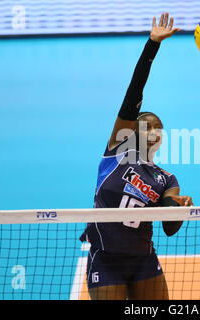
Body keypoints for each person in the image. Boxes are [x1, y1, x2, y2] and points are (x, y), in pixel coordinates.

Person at [80, 13, 192, 300]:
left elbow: (169, 227)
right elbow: (133, 94)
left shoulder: (166, 179)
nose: (154, 132)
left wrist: (180, 209)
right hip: (106, 260)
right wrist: (153, 45)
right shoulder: (116, 152)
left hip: (143, 261)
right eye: (148, 126)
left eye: (159, 128)